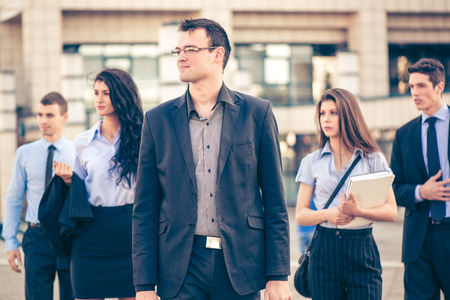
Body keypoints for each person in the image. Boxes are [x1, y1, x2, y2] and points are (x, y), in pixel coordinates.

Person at [132, 18, 291, 300]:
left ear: (218, 54)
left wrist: (277, 275)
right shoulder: (156, 121)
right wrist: (144, 286)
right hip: (181, 266)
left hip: (240, 265)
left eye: (190, 49)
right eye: (177, 50)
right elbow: (145, 208)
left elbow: (276, 202)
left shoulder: (257, 113)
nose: (181, 57)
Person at [295, 88, 397, 300]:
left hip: (361, 246)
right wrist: (327, 215)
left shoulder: (373, 159)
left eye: (334, 113)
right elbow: (301, 214)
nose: (326, 119)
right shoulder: (311, 162)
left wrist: (359, 210)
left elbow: (391, 211)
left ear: (348, 115)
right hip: (325, 246)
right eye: (322, 113)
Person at [54, 68, 143, 300]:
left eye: (106, 93)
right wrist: (68, 180)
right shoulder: (83, 141)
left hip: (130, 233)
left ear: (122, 96)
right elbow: (79, 192)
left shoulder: (144, 137)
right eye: (96, 93)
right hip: (90, 234)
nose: (99, 99)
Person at [2, 92, 74, 300]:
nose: (43, 121)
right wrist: (11, 242)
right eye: (40, 115)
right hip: (36, 236)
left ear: (64, 117)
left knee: (74, 295)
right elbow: (14, 198)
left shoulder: (78, 151)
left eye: (50, 115)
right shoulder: (24, 153)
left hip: (68, 236)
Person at [390, 58, 450, 299]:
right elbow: (392, 189)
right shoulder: (404, 134)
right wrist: (420, 192)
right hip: (419, 240)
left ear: (439, 86)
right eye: (411, 86)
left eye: (421, 86)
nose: (414, 92)